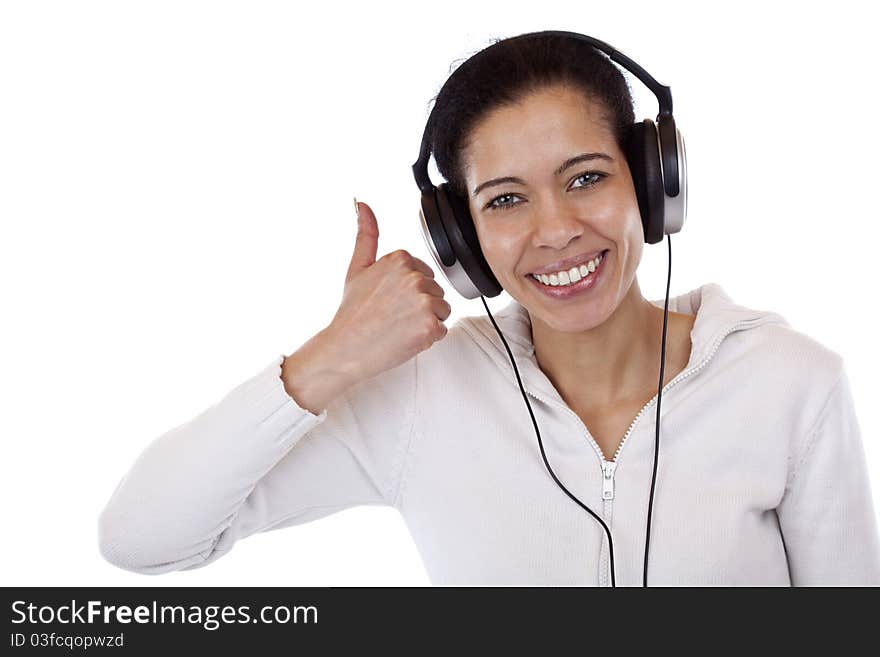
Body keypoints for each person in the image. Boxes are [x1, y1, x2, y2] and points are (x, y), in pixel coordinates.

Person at [98, 32, 880, 586]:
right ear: (462, 237)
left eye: (585, 177)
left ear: (650, 180)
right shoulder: (419, 395)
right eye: (505, 199)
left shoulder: (790, 385)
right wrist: (333, 355)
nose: (555, 230)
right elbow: (143, 538)